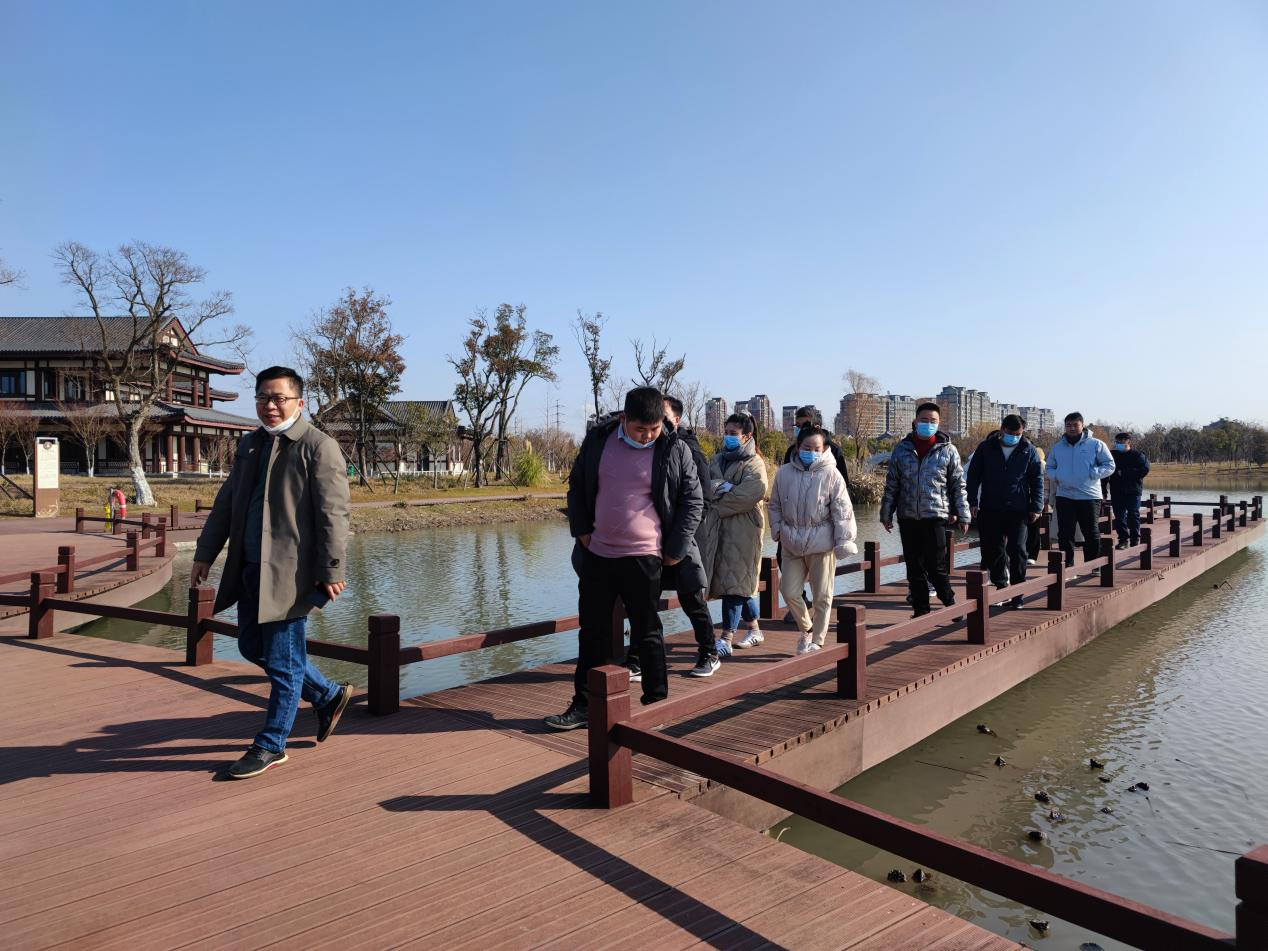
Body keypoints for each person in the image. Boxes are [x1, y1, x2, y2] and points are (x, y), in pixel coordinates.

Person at [191, 366, 352, 779]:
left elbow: (334, 514)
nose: (270, 405)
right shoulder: (250, 445)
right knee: (251, 647)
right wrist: (205, 553)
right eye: (263, 397)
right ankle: (328, 695)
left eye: (279, 398)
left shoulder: (318, 446)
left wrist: (331, 568)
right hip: (248, 567)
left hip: (289, 575)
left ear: (299, 402)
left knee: (283, 662)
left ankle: (271, 743)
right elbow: (226, 502)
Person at [546, 386, 704, 730]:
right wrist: (582, 530)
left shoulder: (674, 447)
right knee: (592, 632)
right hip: (598, 553)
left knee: (647, 631)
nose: (647, 436)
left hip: (645, 556)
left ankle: (655, 705)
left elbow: (693, 501)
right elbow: (577, 487)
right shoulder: (598, 441)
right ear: (623, 420)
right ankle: (584, 705)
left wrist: (675, 550)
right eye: (639, 429)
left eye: (654, 429)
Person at [769, 425, 856, 654]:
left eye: (817, 448)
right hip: (791, 541)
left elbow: (842, 510)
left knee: (822, 596)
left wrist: (844, 540)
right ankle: (807, 628)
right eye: (807, 447)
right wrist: (777, 529)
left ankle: (817, 640)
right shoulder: (784, 473)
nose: (812, 452)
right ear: (798, 446)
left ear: (824, 449)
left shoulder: (832, 474)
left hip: (821, 542)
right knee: (788, 590)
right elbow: (774, 504)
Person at [880, 403, 971, 617]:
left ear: (938, 424)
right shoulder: (902, 449)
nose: (928, 424)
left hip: (935, 514)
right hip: (908, 516)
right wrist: (886, 513)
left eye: (933, 421)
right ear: (915, 421)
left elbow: (958, 485)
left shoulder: (948, 450)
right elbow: (892, 484)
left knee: (936, 566)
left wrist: (963, 514)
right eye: (924, 420)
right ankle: (921, 610)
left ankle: (950, 603)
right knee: (914, 567)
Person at [701, 412, 770, 653]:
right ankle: (754, 629)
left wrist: (719, 502)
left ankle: (726, 639)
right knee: (738, 582)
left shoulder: (755, 462)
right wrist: (723, 487)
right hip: (718, 530)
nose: (728, 437)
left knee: (735, 584)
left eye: (734, 433)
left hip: (744, 532)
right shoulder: (717, 459)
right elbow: (705, 486)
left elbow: (750, 494)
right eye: (727, 432)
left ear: (747, 436)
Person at [966, 415, 1044, 609]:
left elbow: (1037, 479)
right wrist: (972, 501)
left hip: (1018, 508)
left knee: (1017, 549)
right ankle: (1002, 586)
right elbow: (973, 476)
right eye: (1011, 433)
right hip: (990, 506)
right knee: (993, 549)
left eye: (1018, 434)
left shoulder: (1028, 450)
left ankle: (1017, 593)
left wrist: (1036, 506)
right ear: (1002, 430)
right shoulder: (986, 448)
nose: (1014, 437)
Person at [1046, 412, 1116, 571]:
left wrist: (1093, 473)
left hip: (1089, 495)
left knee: (1091, 532)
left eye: (1075, 425)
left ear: (1082, 425)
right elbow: (1049, 467)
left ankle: (1093, 566)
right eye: (1068, 425)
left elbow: (1110, 465)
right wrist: (1056, 476)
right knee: (1065, 533)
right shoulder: (1058, 447)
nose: (1071, 428)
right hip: (1065, 495)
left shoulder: (1096, 444)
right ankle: (1067, 567)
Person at [1108, 432, 1151, 549]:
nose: (1119, 444)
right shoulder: (1112, 455)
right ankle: (1123, 540)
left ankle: (1135, 539)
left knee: (1133, 514)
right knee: (1119, 516)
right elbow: (1106, 472)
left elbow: (1145, 470)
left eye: (1122, 442)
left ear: (1128, 442)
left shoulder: (1138, 455)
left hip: (1133, 491)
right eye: (1117, 442)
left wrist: (1125, 473)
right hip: (1116, 490)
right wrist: (1103, 490)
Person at [1025, 441, 1047, 565]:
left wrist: (1042, 500)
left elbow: (1043, 483)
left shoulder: (1041, 463)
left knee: (1033, 528)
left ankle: (1032, 553)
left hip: (1034, 500)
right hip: (1019, 499)